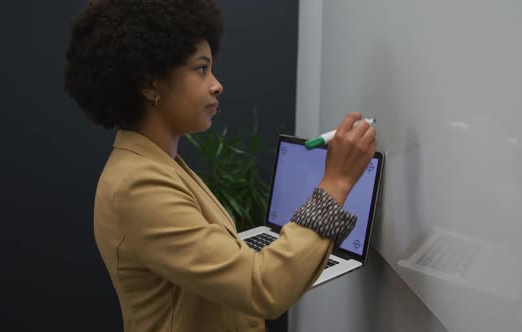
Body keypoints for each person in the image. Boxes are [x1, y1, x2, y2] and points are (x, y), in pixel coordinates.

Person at [63, 0, 377, 331]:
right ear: (150, 85)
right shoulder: (138, 187)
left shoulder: (159, 166)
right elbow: (262, 288)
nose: (217, 84)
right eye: (201, 69)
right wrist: (336, 182)